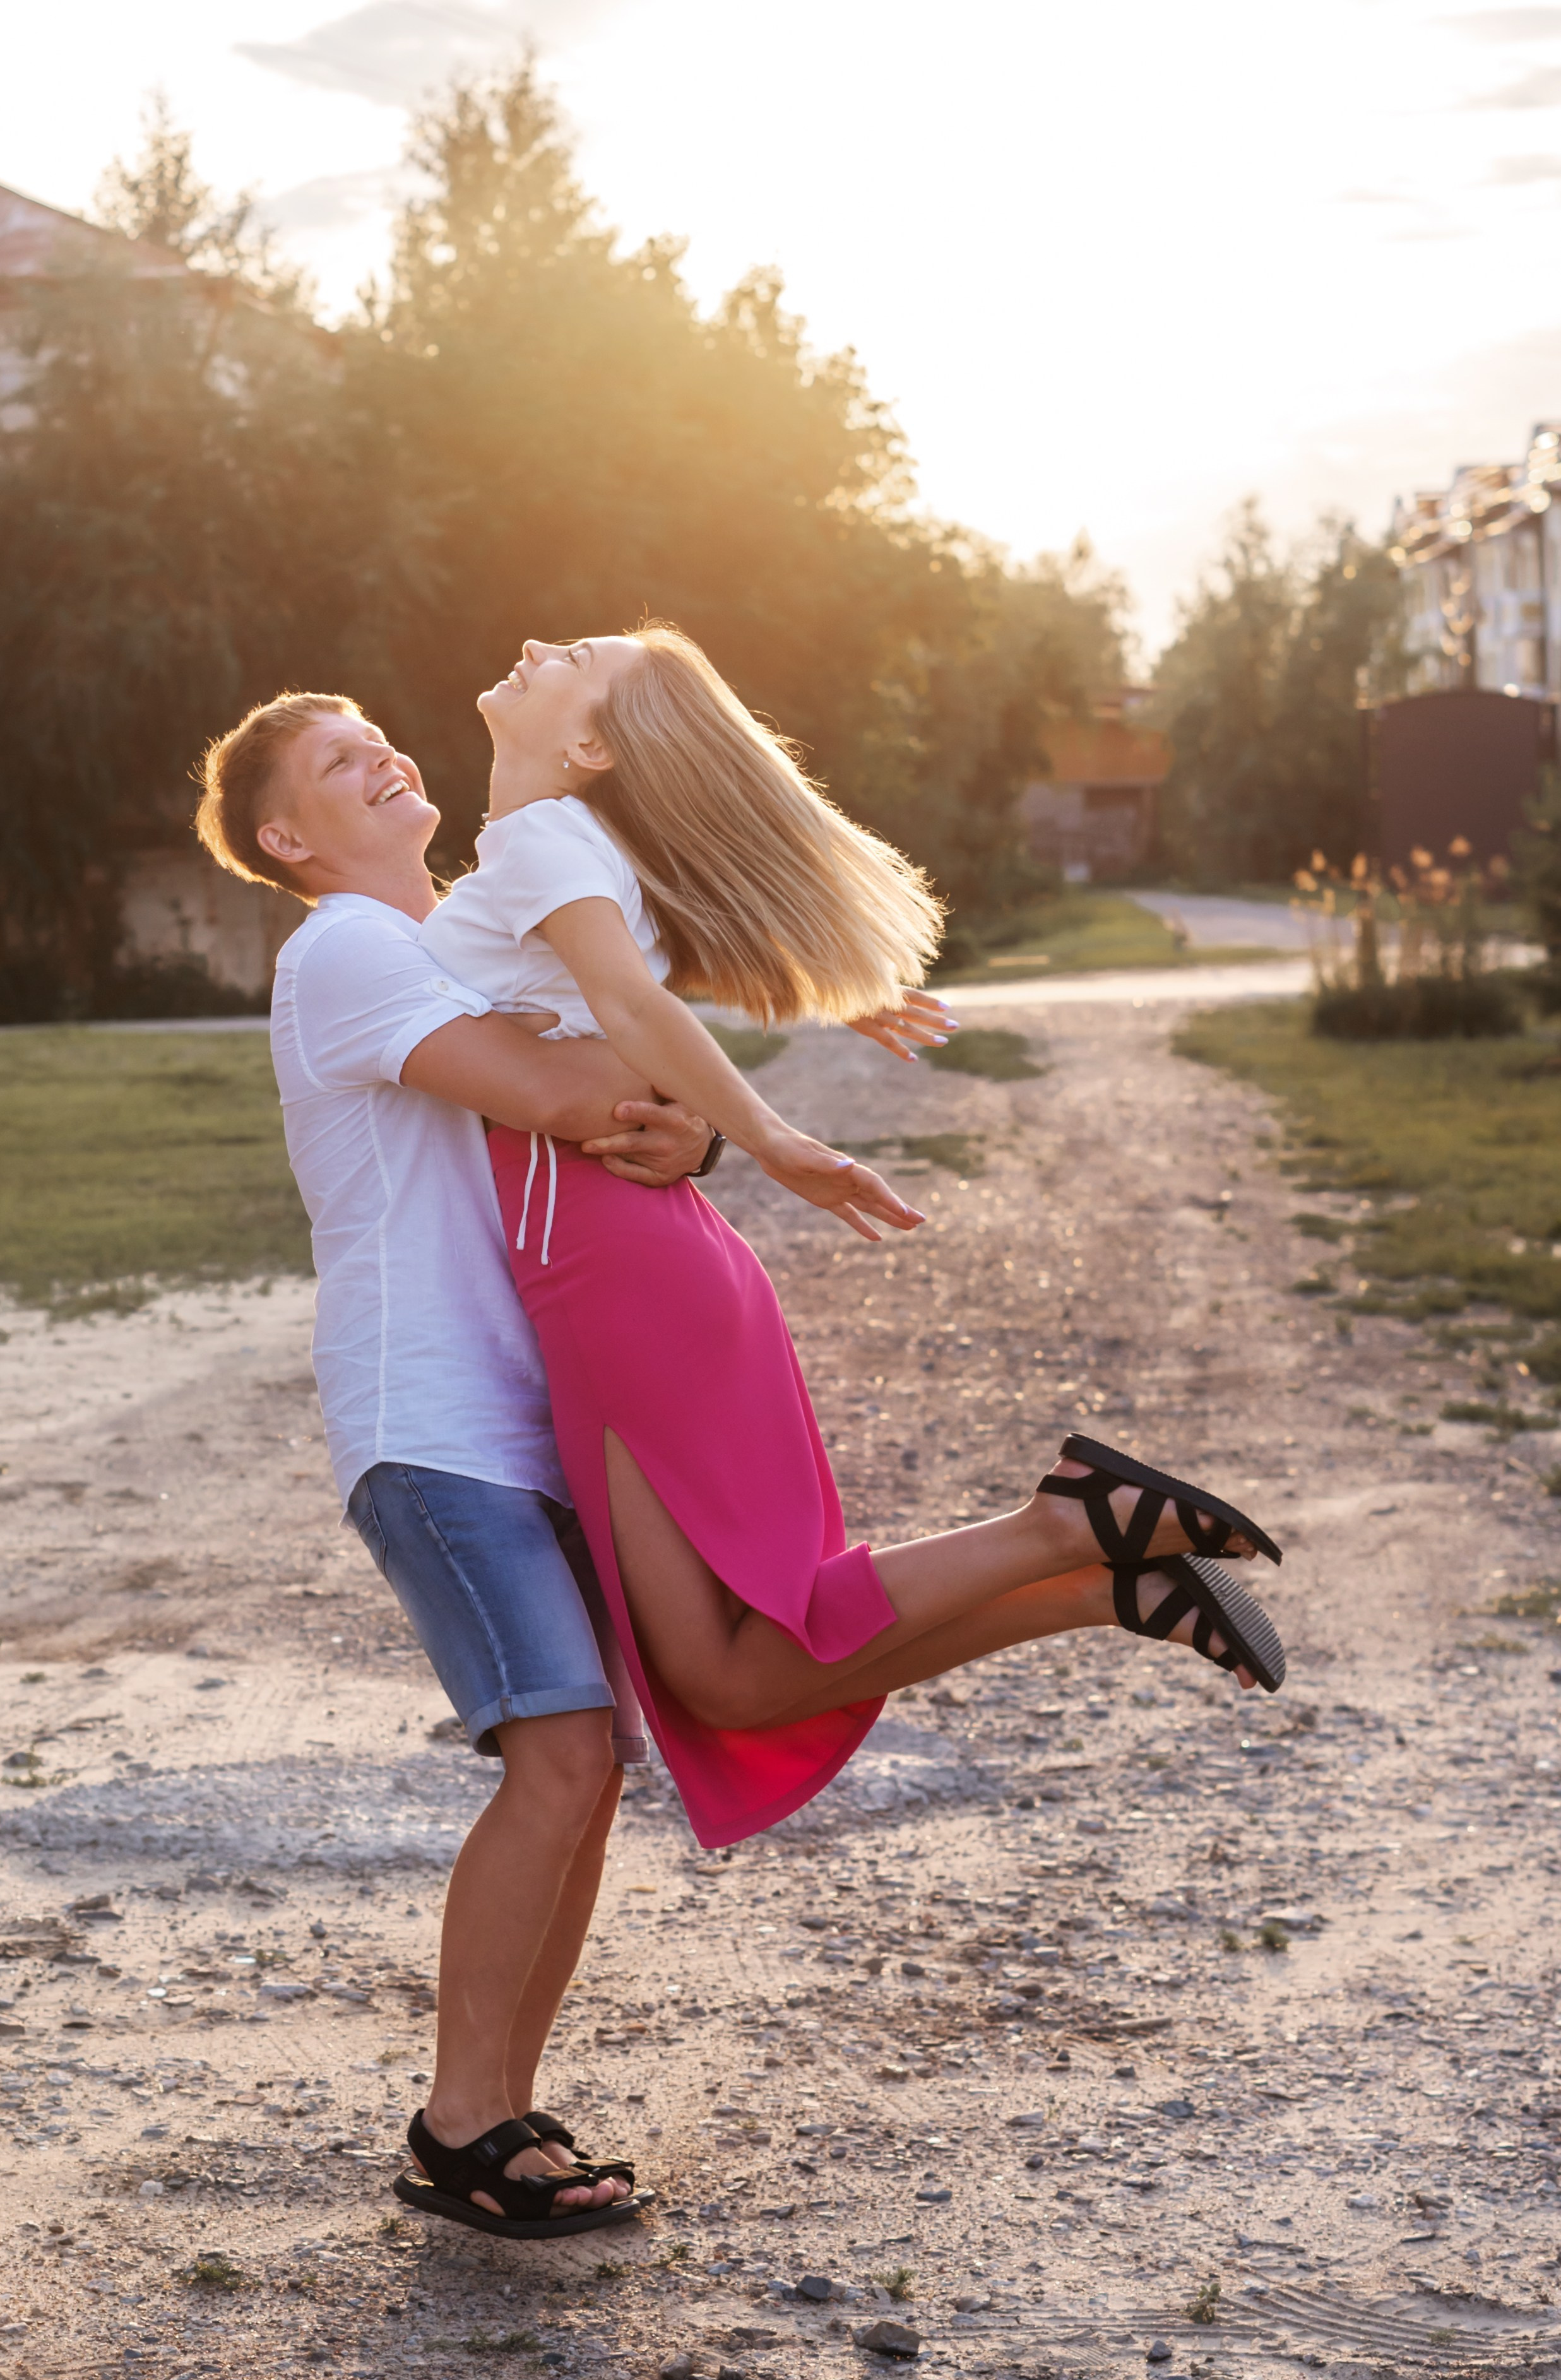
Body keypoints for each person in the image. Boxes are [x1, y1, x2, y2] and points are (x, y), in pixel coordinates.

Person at [193, 688, 949, 2242]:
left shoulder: (459, 936)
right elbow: (563, 1092)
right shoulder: (342, 950)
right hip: (431, 1423)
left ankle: (496, 2107)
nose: (382, 754)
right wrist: (693, 1117)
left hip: (529, 1415)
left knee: (588, 1770)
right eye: (339, 762)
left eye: (374, 734)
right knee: (558, 1756)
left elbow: (623, 1026)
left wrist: (710, 1119)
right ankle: (458, 2124)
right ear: (288, 837)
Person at [416, 625, 1288, 1870]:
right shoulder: (557, 853)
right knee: (727, 1675)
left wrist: (764, 1134)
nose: (536, 640)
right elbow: (631, 984)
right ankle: (1101, 1580)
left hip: (606, 1272)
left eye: (579, 653)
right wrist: (819, 996)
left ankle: (1064, 1527)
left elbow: (628, 1003)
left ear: (593, 743)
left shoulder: (546, 839)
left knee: (731, 1663)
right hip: (636, 1259)